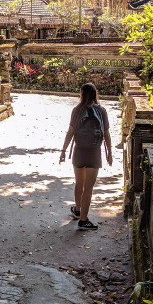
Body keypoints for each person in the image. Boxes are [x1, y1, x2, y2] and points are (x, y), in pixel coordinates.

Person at [59, 83, 113, 230]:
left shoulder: (76, 110)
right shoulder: (101, 110)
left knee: (79, 183)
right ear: (96, 94)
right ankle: (83, 220)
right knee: (88, 187)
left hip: (79, 151)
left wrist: (63, 151)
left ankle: (78, 210)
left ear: (82, 94)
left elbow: (70, 132)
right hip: (94, 152)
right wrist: (109, 153)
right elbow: (106, 134)